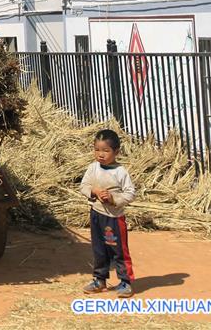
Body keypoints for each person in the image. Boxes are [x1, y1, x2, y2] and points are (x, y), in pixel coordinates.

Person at [80, 128, 136, 298]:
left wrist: (113, 198)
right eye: (97, 149)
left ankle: (125, 282)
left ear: (116, 152)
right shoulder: (93, 168)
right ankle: (99, 280)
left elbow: (130, 193)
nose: (100, 154)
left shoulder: (120, 172)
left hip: (114, 219)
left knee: (118, 250)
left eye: (106, 150)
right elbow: (83, 186)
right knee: (99, 249)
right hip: (96, 214)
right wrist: (94, 191)